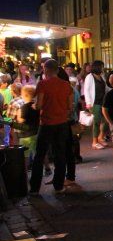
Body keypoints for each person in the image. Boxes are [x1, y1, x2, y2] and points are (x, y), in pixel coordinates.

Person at [29, 59, 73, 195]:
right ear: (58, 70)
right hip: (62, 123)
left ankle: (35, 188)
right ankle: (58, 186)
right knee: (60, 154)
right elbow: (70, 106)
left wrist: (34, 106)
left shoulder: (42, 84)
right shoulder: (66, 85)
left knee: (40, 155)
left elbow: (39, 105)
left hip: (47, 123)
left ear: (45, 70)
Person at [82, 60, 108, 150]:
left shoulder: (101, 76)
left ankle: (100, 137)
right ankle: (95, 141)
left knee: (105, 121)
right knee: (96, 122)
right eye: (102, 67)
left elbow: (106, 88)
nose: (103, 68)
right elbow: (86, 90)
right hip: (94, 103)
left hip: (103, 102)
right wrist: (88, 103)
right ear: (97, 67)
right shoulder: (89, 77)